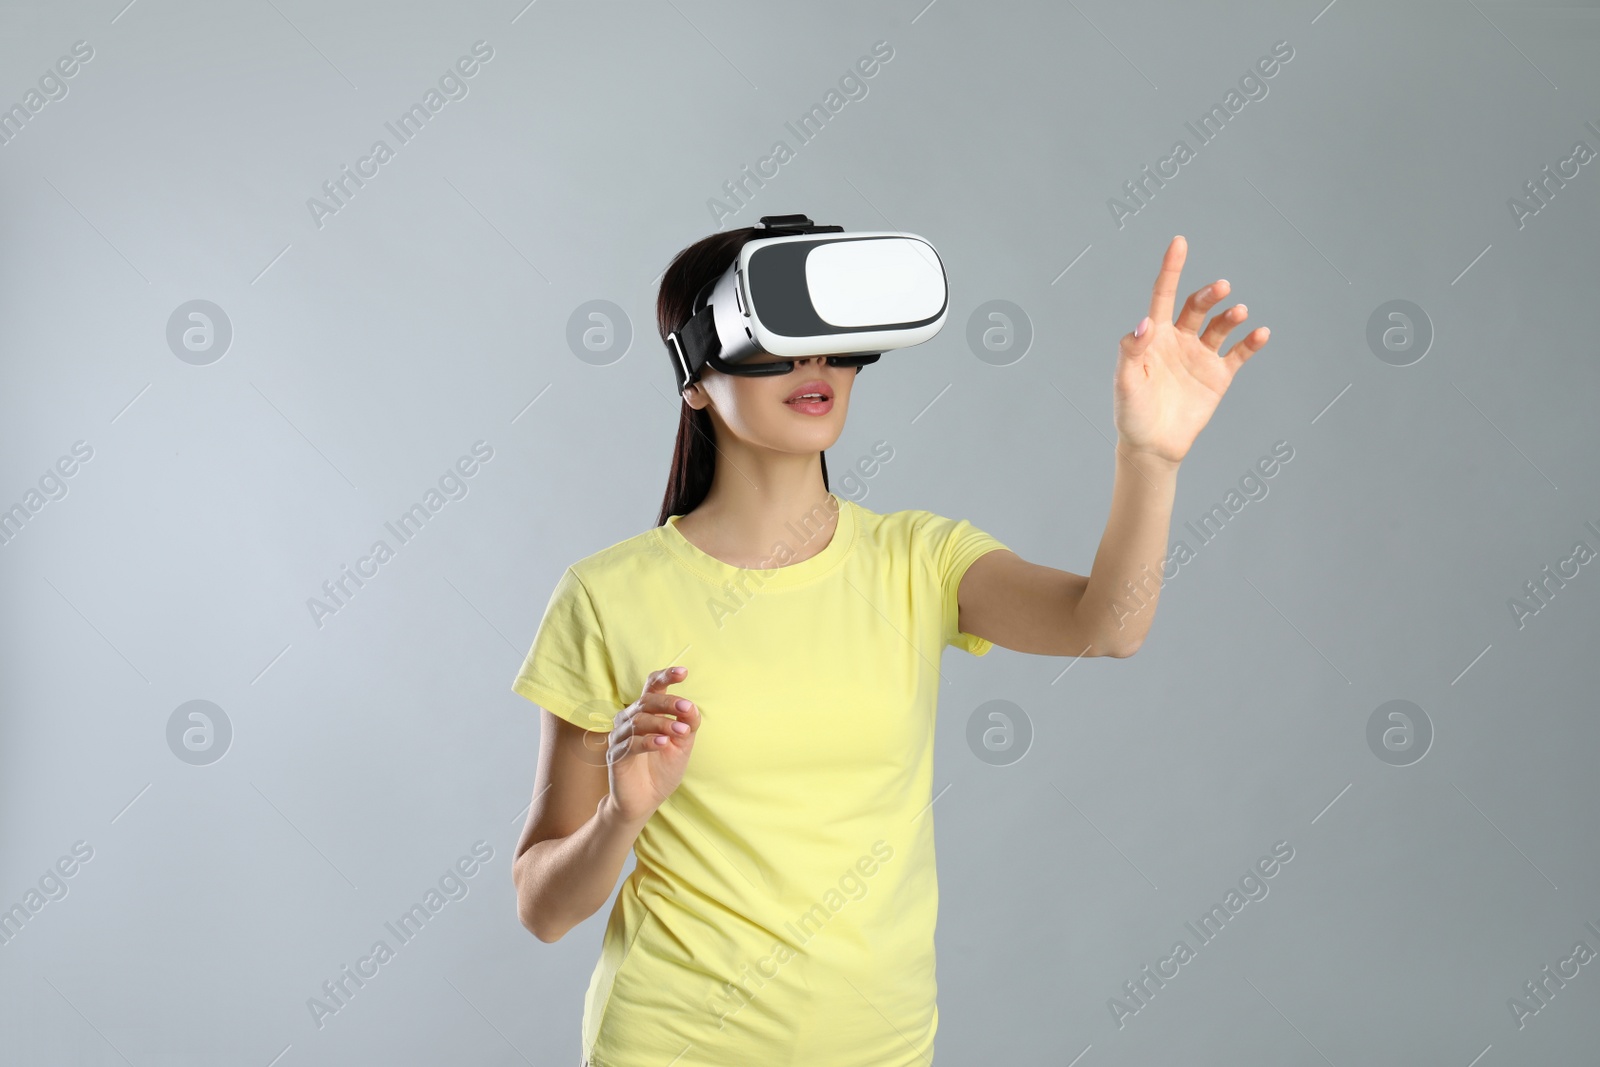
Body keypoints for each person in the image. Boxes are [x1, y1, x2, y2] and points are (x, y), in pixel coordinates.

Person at [510, 227, 1268, 1067]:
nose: (816, 367)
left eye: (833, 345)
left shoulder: (919, 559)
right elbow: (543, 908)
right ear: (694, 376)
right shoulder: (605, 596)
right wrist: (623, 814)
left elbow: (1109, 625)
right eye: (779, 338)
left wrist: (1149, 457)